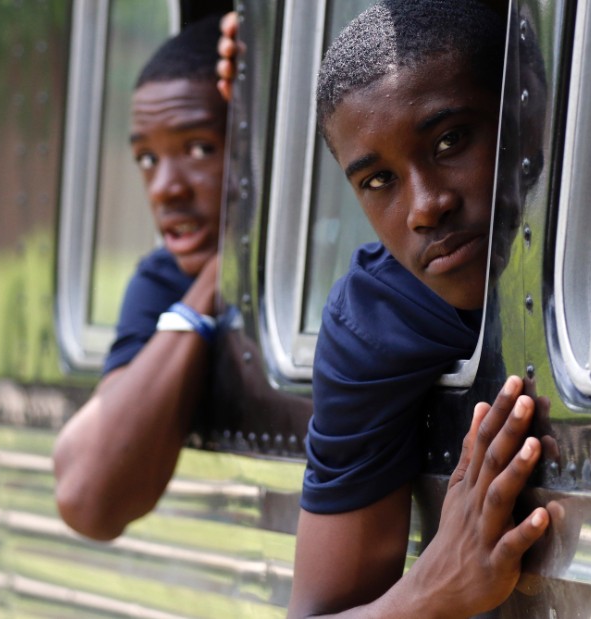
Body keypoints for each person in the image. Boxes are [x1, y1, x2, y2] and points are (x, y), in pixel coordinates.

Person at [225, 2, 556, 616]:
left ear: (527, 109)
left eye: (451, 140)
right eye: (378, 181)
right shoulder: (377, 321)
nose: (426, 206)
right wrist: (431, 591)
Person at [53, 16, 228, 541]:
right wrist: (208, 292)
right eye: (147, 159)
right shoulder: (166, 278)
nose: (165, 189)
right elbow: (88, 498)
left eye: (199, 148)